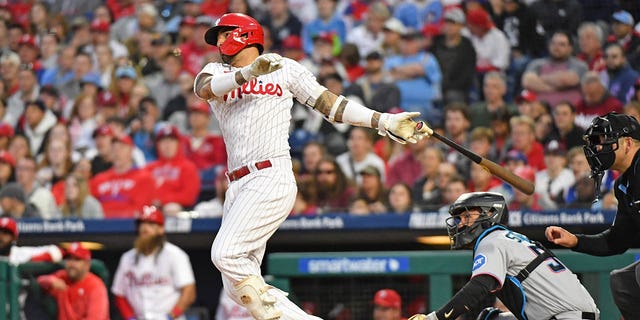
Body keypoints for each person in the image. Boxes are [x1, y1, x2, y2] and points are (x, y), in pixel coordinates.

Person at [193, 12, 431, 320]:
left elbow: (331, 105)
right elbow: (204, 88)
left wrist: (382, 120)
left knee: (225, 253)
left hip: (270, 175)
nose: (220, 42)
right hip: (236, 185)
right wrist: (248, 73)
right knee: (236, 288)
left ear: (245, 35)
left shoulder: (285, 68)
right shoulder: (216, 71)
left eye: (225, 34)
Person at [409, 192, 599, 320]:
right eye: (459, 219)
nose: (460, 224)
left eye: (467, 217)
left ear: (491, 214)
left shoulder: (492, 239)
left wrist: (436, 317)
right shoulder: (510, 238)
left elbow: (479, 286)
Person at [545, 112, 640, 318]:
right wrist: (575, 241)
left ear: (628, 143)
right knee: (624, 281)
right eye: (596, 142)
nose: (598, 148)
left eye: (605, 141)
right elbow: (616, 241)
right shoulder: (624, 184)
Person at [111, 206, 196, 320]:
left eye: (151, 224)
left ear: (161, 229)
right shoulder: (127, 258)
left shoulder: (175, 254)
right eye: (142, 224)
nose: (145, 228)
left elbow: (189, 292)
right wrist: (130, 318)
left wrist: (171, 316)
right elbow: (119, 294)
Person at [37, 242, 109, 320]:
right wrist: (51, 281)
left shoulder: (96, 286)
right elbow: (41, 280)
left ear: (87, 264)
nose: (71, 264)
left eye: (77, 260)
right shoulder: (63, 276)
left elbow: (96, 318)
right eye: (69, 259)